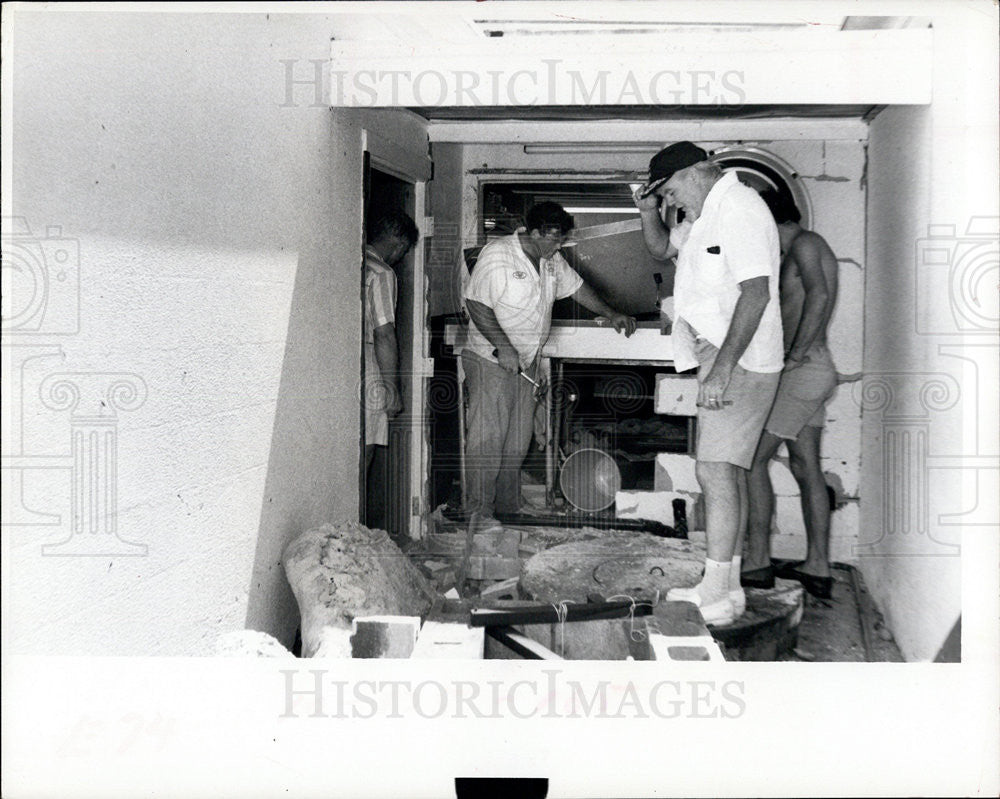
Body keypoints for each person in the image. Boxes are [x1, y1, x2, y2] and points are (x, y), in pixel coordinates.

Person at [633, 142, 783, 625]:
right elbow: (659, 248)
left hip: (738, 356)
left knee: (714, 472)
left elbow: (756, 294)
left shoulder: (738, 208)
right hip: (718, 352)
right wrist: (646, 210)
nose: (671, 199)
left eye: (672, 187)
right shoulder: (701, 215)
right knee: (726, 472)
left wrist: (722, 369)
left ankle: (715, 593)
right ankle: (728, 588)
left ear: (697, 172)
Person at [462, 201, 636, 525]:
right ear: (535, 232)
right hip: (490, 359)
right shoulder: (497, 255)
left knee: (517, 440)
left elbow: (579, 289)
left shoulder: (550, 260)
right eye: (554, 238)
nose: (559, 245)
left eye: (561, 239)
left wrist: (611, 313)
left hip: (525, 361)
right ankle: (478, 513)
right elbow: (475, 304)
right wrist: (504, 346)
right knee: (487, 439)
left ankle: (507, 508)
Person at [742, 190, 839, 599]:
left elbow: (818, 295)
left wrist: (795, 353)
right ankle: (817, 567)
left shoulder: (805, 243)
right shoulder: (799, 249)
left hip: (804, 370)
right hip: (812, 370)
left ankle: (757, 562)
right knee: (805, 467)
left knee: (751, 461)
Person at [364, 210, 419, 506]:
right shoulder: (382, 272)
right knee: (366, 446)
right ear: (399, 244)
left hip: (338, 362)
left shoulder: (352, 260)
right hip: (368, 365)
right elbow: (384, 334)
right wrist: (391, 387)